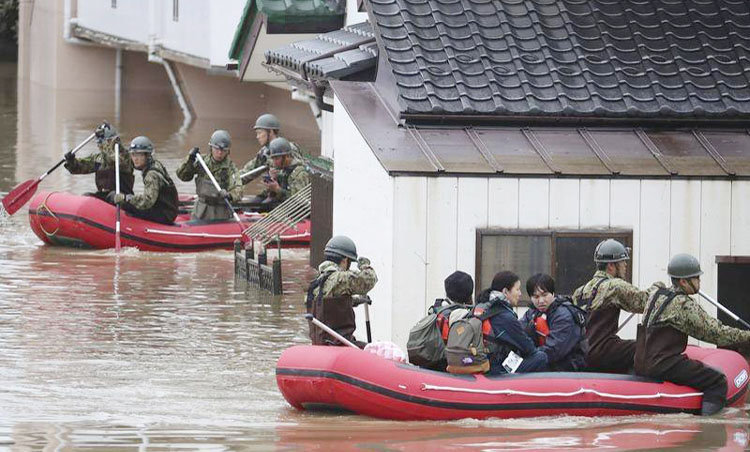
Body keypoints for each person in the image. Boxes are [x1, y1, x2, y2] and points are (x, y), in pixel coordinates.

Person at [635, 254, 750, 416]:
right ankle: (708, 428)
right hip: (663, 365)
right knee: (717, 381)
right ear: (683, 281)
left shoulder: (656, 295)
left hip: (641, 362)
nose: (699, 282)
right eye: (696, 278)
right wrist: (746, 336)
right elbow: (716, 333)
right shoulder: (684, 305)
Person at [572, 239, 648, 373]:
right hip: (602, 350)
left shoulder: (580, 291)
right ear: (611, 266)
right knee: (646, 347)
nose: (625, 265)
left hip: (582, 353)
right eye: (623, 261)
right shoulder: (614, 286)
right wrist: (659, 288)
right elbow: (645, 303)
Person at [305, 235, 377, 348]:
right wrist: (364, 265)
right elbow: (369, 279)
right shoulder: (341, 278)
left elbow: (331, 305)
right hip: (340, 345)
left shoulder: (314, 285)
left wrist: (357, 301)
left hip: (320, 346)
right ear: (344, 260)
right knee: (376, 350)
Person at [476, 271, 548, 375]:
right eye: (517, 289)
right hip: (495, 369)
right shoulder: (505, 316)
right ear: (505, 291)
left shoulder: (481, 306)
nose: (520, 294)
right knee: (541, 357)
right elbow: (529, 349)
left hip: (480, 363)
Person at [520, 273, 588, 371]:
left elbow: (554, 350)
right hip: (544, 361)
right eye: (536, 297)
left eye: (544, 295)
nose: (541, 301)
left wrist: (527, 358)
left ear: (552, 293)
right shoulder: (532, 312)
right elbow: (519, 332)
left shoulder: (564, 315)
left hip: (567, 368)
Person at [108, 136, 178, 225]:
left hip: (164, 214)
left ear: (147, 155)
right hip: (163, 208)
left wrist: (126, 198)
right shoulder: (153, 163)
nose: (135, 158)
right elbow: (130, 161)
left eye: (139, 155)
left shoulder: (151, 175)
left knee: (127, 205)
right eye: (133, 154)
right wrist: (120, 149)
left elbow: (147, 201)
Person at [175, 130, 242, 221]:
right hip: (200, 208)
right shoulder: (201, 161)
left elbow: (238, 188)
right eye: (216, 149)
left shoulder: (231, 168)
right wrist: (189, 160)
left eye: (223, 150)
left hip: (220, 211)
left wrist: (229, 195)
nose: (219, 153)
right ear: (211, 147)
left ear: (227, 151)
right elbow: (183, 176)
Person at [64, 121, 134, 201]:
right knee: (87, 196)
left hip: (122, 196)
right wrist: (71, 160)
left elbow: (113, 161)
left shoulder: (125, 156)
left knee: (112, 196)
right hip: (103, 195)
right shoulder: (98, 158)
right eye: (98, 143)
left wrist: (108, 145)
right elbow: (79, 167)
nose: (99, 146)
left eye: (102, 143)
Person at [240, 113, 300, 184]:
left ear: (270, 132)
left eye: (259, 133)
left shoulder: (288, 148)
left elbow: (300, 169)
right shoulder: (264, 153)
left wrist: (278, 175)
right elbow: (248, 172)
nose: (257, 137)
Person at [247, 137, 310, 206]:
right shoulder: (281, 168)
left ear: (287, 157)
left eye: (277, 159)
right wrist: (272, 180)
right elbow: (272, 195)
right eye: (273, 159)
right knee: (254, 204)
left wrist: (278, 189)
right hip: (281, 203)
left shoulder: (300, 173)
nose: (274, 162)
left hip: (293, 209)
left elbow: (299, 201)